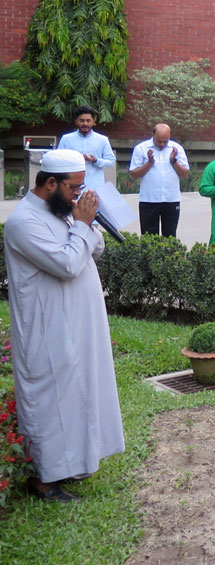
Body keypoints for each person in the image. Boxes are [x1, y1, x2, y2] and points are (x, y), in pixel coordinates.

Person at [4, 149, 124, 503]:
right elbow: (68, 264)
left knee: (79, 393)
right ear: (50, 183)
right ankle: (43, 480)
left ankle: (73, 464)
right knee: (51, 399)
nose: (79, 194)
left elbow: (92, 250)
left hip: (78, 324)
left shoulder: (61, 211)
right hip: (47, 328)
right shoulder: (24, 221)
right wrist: (83, 226)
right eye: (74, 187)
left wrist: (87, 224)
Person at [128, 123, 189, 237]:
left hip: (171, 199)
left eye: (165, 141)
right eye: (159, 141)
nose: (162, 144)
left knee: (170, 236)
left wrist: (173, 161)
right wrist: (149, 163)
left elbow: (185, 174)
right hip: (149, 200)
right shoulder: (141, 148)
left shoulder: (176, 149)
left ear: (170, 136)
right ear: (153, 134)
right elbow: (134, 174)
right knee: (149, 237)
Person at [57, 106, 115, 189]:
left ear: (93, 121)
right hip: (71, 187)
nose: (85, 124)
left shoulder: (102, 140)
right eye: (82, 121)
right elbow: (59, 160)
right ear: (76, 121)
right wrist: (73, 159)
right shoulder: (66, 139)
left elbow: (111, 162)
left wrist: (95, 160)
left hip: (95, 187)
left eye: (88, 121)